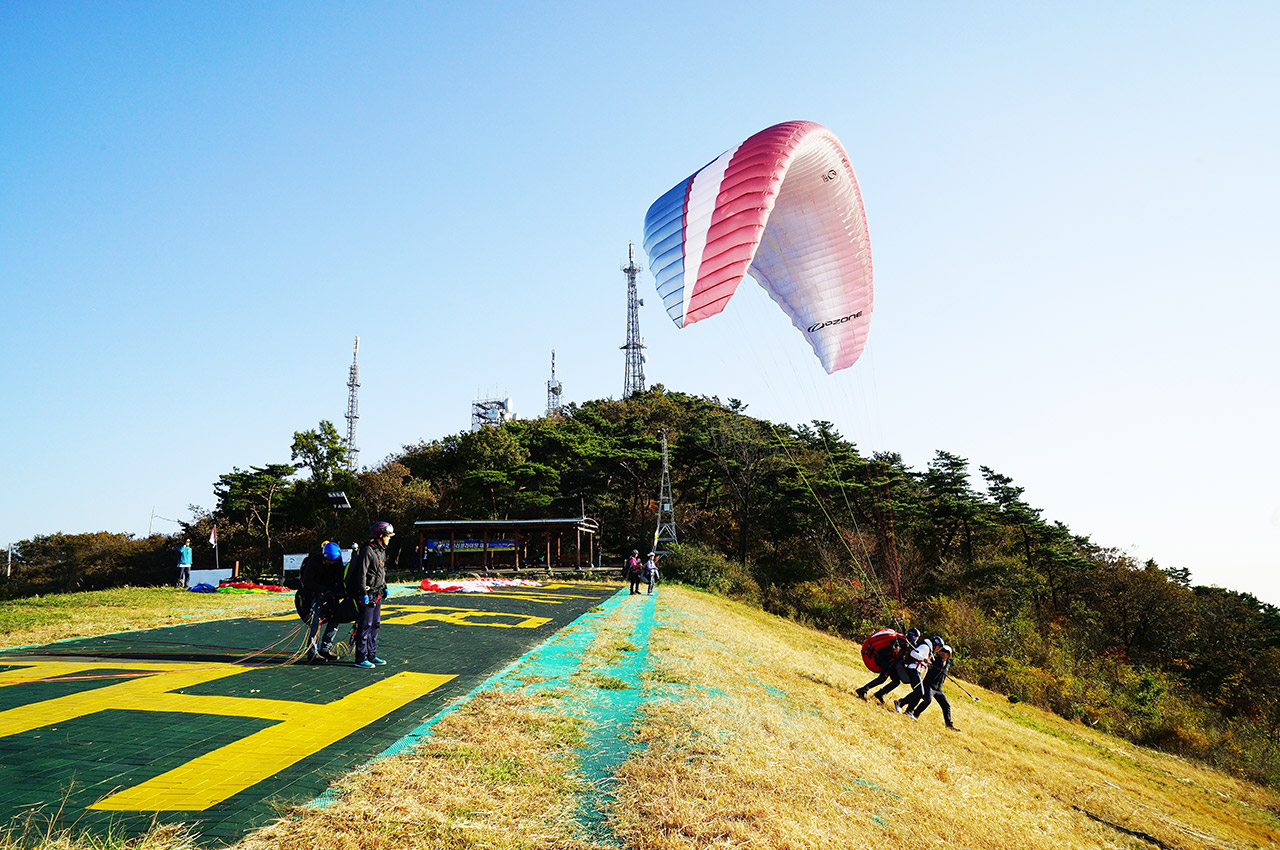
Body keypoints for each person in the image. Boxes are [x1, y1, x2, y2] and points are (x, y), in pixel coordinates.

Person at [346, 521, 393, 669]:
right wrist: (362, 593)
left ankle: (372, 655)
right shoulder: (368, 550)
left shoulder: (381, 551)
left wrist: (384, 586)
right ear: (380, 536)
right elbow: (362, 573)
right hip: (368, 593)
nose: (389, 539)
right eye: (387, 536)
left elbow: (381, 572)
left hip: (377, 593)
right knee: (365, 625)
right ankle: (361, 658)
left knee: (375, 625)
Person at [299, 541, 346, 664]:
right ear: (324, 557)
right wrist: (323, 590)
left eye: (334, 561)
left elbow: (340, 576)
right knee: (315, 623)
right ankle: (312, 653)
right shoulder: (313, 562)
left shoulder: (337, 561)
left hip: (331, 593)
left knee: (336, 619)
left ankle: (326, 648)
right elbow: (308, 581)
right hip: (314, 593)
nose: (332, 563)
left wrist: (339, 590)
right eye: (329, 561)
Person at [898, 643, 958, 730]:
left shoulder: (948, 664)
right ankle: (914, 714)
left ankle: (949, 725)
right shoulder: (935, 660)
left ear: (949, 654)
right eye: (942, 651)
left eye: (945, 652)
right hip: (929, 684)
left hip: (938, 689)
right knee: (927, 699)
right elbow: (927, 663)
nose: (942, 653)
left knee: (946, 706)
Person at [856, 627, 920, 700]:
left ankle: (879, 694)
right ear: (910, 635)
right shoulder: (901, 640)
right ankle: (862, 690)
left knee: (896, 681)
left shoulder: (905, 642)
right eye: (914, 637)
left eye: (916, 638)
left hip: (891, 663)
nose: (915, 640)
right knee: (881, 679)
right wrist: (895, 649)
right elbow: (893, 647)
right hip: (885, 660)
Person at [874, 633, 938, 705]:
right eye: (938, 647)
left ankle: (880, 694)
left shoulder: (928, 650)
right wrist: (924, 659)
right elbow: (913, 653)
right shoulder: (926, 647)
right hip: (914, 670)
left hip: (916, 670)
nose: (938, 649)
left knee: (897, 682)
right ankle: (900, 703)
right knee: (919, 692)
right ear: (934, 644)